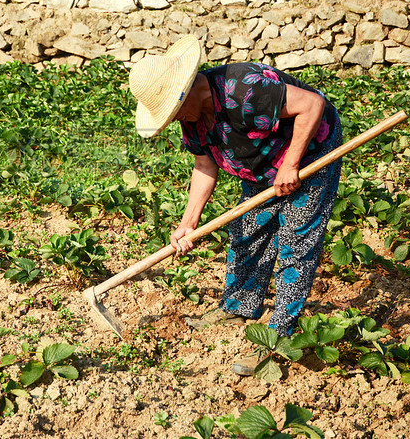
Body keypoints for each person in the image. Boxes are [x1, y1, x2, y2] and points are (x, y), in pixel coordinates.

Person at [128, 34, 342, 375]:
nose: (175, 120)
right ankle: (241, 305)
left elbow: (312, 105)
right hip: (259, 164)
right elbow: (204, 166)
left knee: (296, 242)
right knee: (247, 232)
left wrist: (290, 165)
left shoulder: (245, 89)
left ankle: (279, 334)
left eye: (174, 112)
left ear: (186, 93)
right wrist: (188, 224)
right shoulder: (194, 119)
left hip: (309, 152)